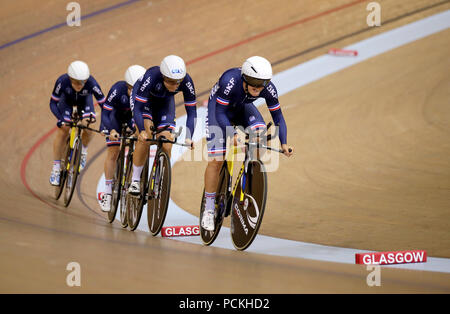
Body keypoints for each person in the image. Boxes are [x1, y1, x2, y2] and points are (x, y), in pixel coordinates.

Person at [201, 56, 294, 231]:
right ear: (245, 78)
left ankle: (246, 177)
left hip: (241, 108)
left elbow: (278, 117)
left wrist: (284, 142)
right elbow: (220, 113)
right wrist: (233, 134)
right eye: (254, 82)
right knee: (217, 160)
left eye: (262, 84)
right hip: (219, 111)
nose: (258, 88)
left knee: (259, 137)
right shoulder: (229, 81)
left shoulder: (268, 89)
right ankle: (208, 209)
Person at [128, 55, 197, 195]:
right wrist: (141, 130)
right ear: (163, 76)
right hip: (144, 102)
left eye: (178, 82)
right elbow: (138, 108)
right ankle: (135, 180)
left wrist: (189, 137)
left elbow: (192, 112)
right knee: (146, 137)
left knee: (167, 142)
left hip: (165, 104)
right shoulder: (152, 76)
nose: (175, 86)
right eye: (171, 82)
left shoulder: (186, 81)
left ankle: (158, 179)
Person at [49, 60, 106, 186]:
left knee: (89, 125)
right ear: (70, 78)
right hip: (67, 104)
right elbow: (53, 103)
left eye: (83, 82)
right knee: (64, 129)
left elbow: (105, 105)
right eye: (76, 82)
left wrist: (105, 125)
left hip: (85, 103)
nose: (80, 85)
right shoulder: (62, 81)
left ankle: (83, 152)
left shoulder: (91, 83)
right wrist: (60, 118)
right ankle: (56, 168)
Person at [98, 65, 146, 212]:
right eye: (132, 88)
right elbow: (105, 114)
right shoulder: (117, 90)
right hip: (115, 119)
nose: (134, 92)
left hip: (132, 118)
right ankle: (107, 192)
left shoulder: (145, 92)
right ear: (126, 85)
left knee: (141, 139)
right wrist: (110, 130)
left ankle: (134, 175)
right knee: (113, 151)